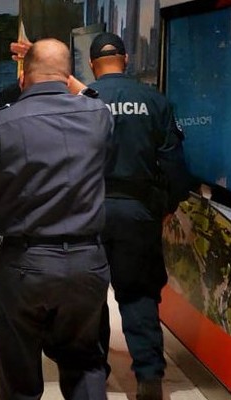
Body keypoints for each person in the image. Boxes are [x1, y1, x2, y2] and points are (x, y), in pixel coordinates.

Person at [0, 39, 113, 399]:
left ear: (23, 79)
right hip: (88, 263)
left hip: (24, 266)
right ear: (68, 76)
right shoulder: (98, 116)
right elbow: (93, 96)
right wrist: (66, 77)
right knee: (85, 365)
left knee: (19, 377)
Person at [84, 32, 193, 400]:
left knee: (90, 294)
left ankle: (93, 373)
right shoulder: (155, 101)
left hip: (90, 211)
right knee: (139, 294)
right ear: (126, 59)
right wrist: (166, 206)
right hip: (138, 212)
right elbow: (175, 165)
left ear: (92, 64)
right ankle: (148, 376)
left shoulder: (83, 101)